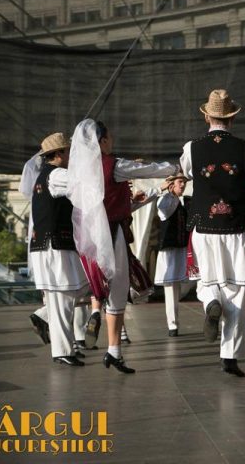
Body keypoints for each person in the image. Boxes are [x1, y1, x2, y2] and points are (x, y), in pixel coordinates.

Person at [180, 89, 245, 377]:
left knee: (208, 279)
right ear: (232, 118)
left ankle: (211, 301)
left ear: (207, 117)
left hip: (204, 224)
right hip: (236, 226)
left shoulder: (191, 147)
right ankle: (230, 357)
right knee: (236, 290)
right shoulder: (244, 147)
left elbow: (186, 171)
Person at [68, 119, 179, 374]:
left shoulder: (77, 173)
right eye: (110, 138)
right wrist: (175, 167)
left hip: (87, 236)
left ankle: (99, 338)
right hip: (111, 232)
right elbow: (145, 169)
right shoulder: (113, 165)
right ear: (102, 141)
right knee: (118, 288)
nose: (112, 142)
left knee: (90, 286)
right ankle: (113, 349)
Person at [22, 133, 89, 366]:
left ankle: (43, 316)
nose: (72, 156)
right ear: (59, 153)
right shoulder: (57, 175)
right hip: (54, 244)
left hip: (55, 244)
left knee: (79, 289)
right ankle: (62, 351)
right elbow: (81, 183)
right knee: (63, 296)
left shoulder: (48, 175)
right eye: (69, 151)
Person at [155, 172, 192, 337]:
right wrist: (168, 193)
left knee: (184, 284)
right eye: (180, 182)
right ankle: (172, 325)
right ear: (171, 184)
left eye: (184, 182)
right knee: (170, 287)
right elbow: (164, 210)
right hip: (169, 250)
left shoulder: (185, 201)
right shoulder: (165, 200)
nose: (183, 185)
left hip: (182, 249)